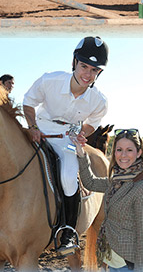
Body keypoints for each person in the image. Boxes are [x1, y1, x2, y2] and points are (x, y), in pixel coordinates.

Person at [23, 36, 108, 254]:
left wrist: (82, 134)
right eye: (84, 66)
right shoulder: (49, 80)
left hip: (67, 137)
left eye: (94, 70)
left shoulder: (99, 101)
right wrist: (32, 127)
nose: (87, 74)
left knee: (69, 177)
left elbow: (92, 124)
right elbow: (29, 102)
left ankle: (69, 232)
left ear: (99, 73)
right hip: (39, 128)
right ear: (74, 63)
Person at [75, 128, 143, 272]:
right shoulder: (116, 181)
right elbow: (90, 183)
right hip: (114, 263)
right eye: (119, 149)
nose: (123, 155)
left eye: (129, 150)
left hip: (131, 267)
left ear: (139, 153)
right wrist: (81, 154)